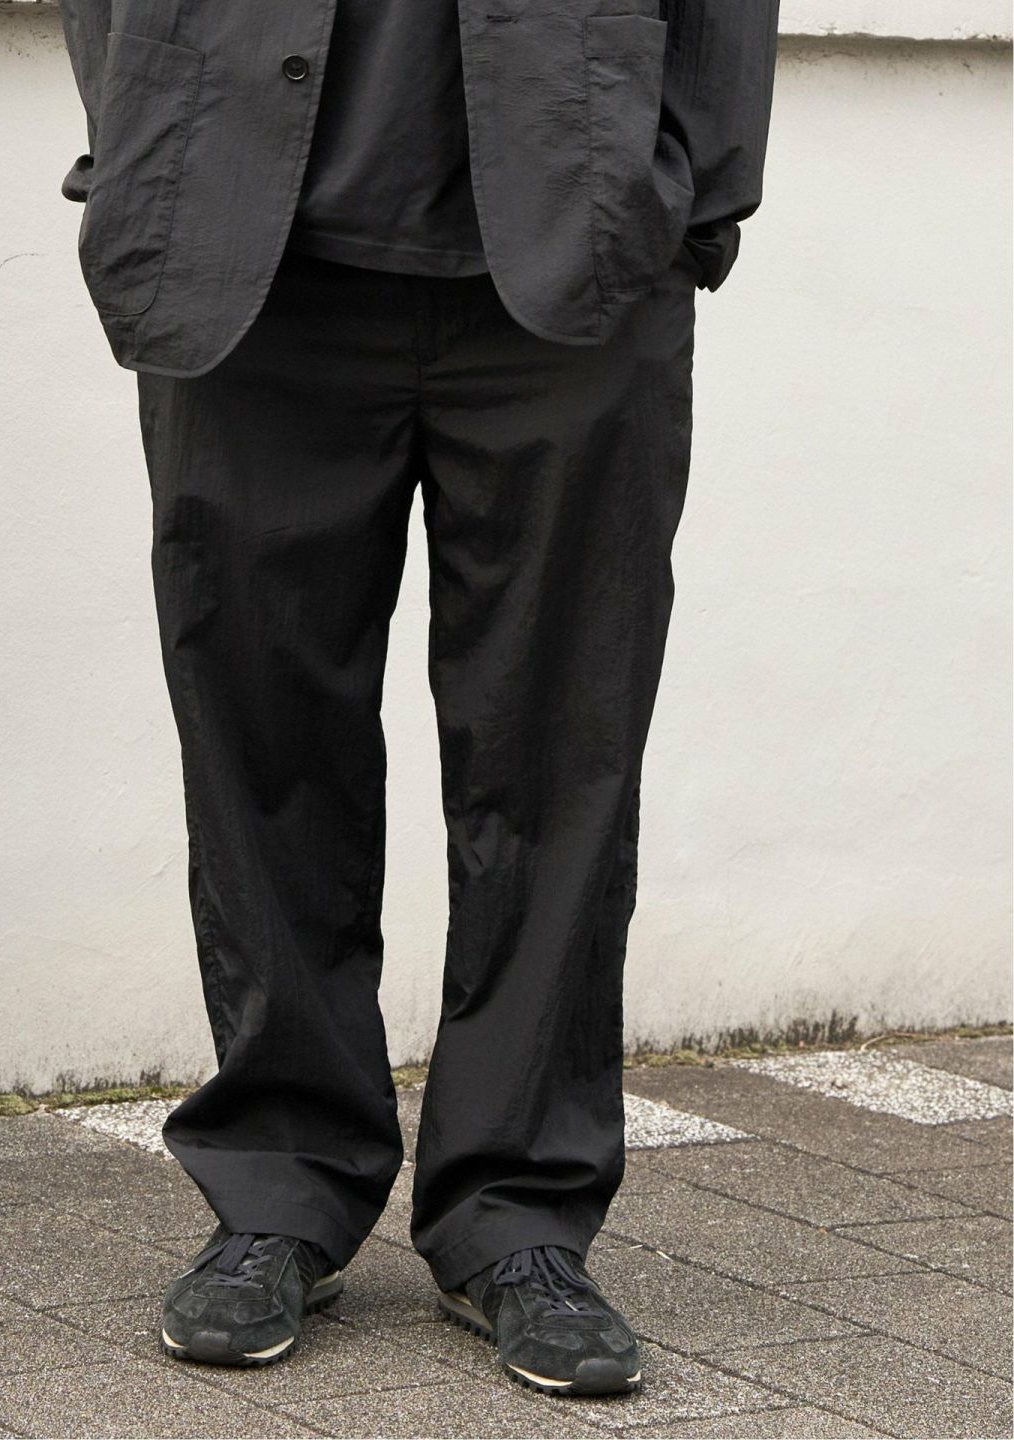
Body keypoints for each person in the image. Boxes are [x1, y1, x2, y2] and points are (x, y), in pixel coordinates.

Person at [56, 0, 779, 1398]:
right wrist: (149, 133)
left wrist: (688, 195)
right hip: (250, 258)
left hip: (575, 254)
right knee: (262, 744)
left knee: (558, 755)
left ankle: (519, 1213)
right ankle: (279, 1186)